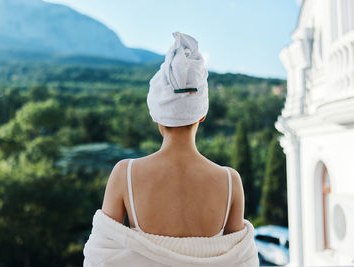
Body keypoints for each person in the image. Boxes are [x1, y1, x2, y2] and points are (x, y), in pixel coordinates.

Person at [83, 32, 259, 267]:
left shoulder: (125, 174)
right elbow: (241, 262)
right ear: (202, 114)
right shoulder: (230, 181)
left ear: (157, 115)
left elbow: (100, 260)